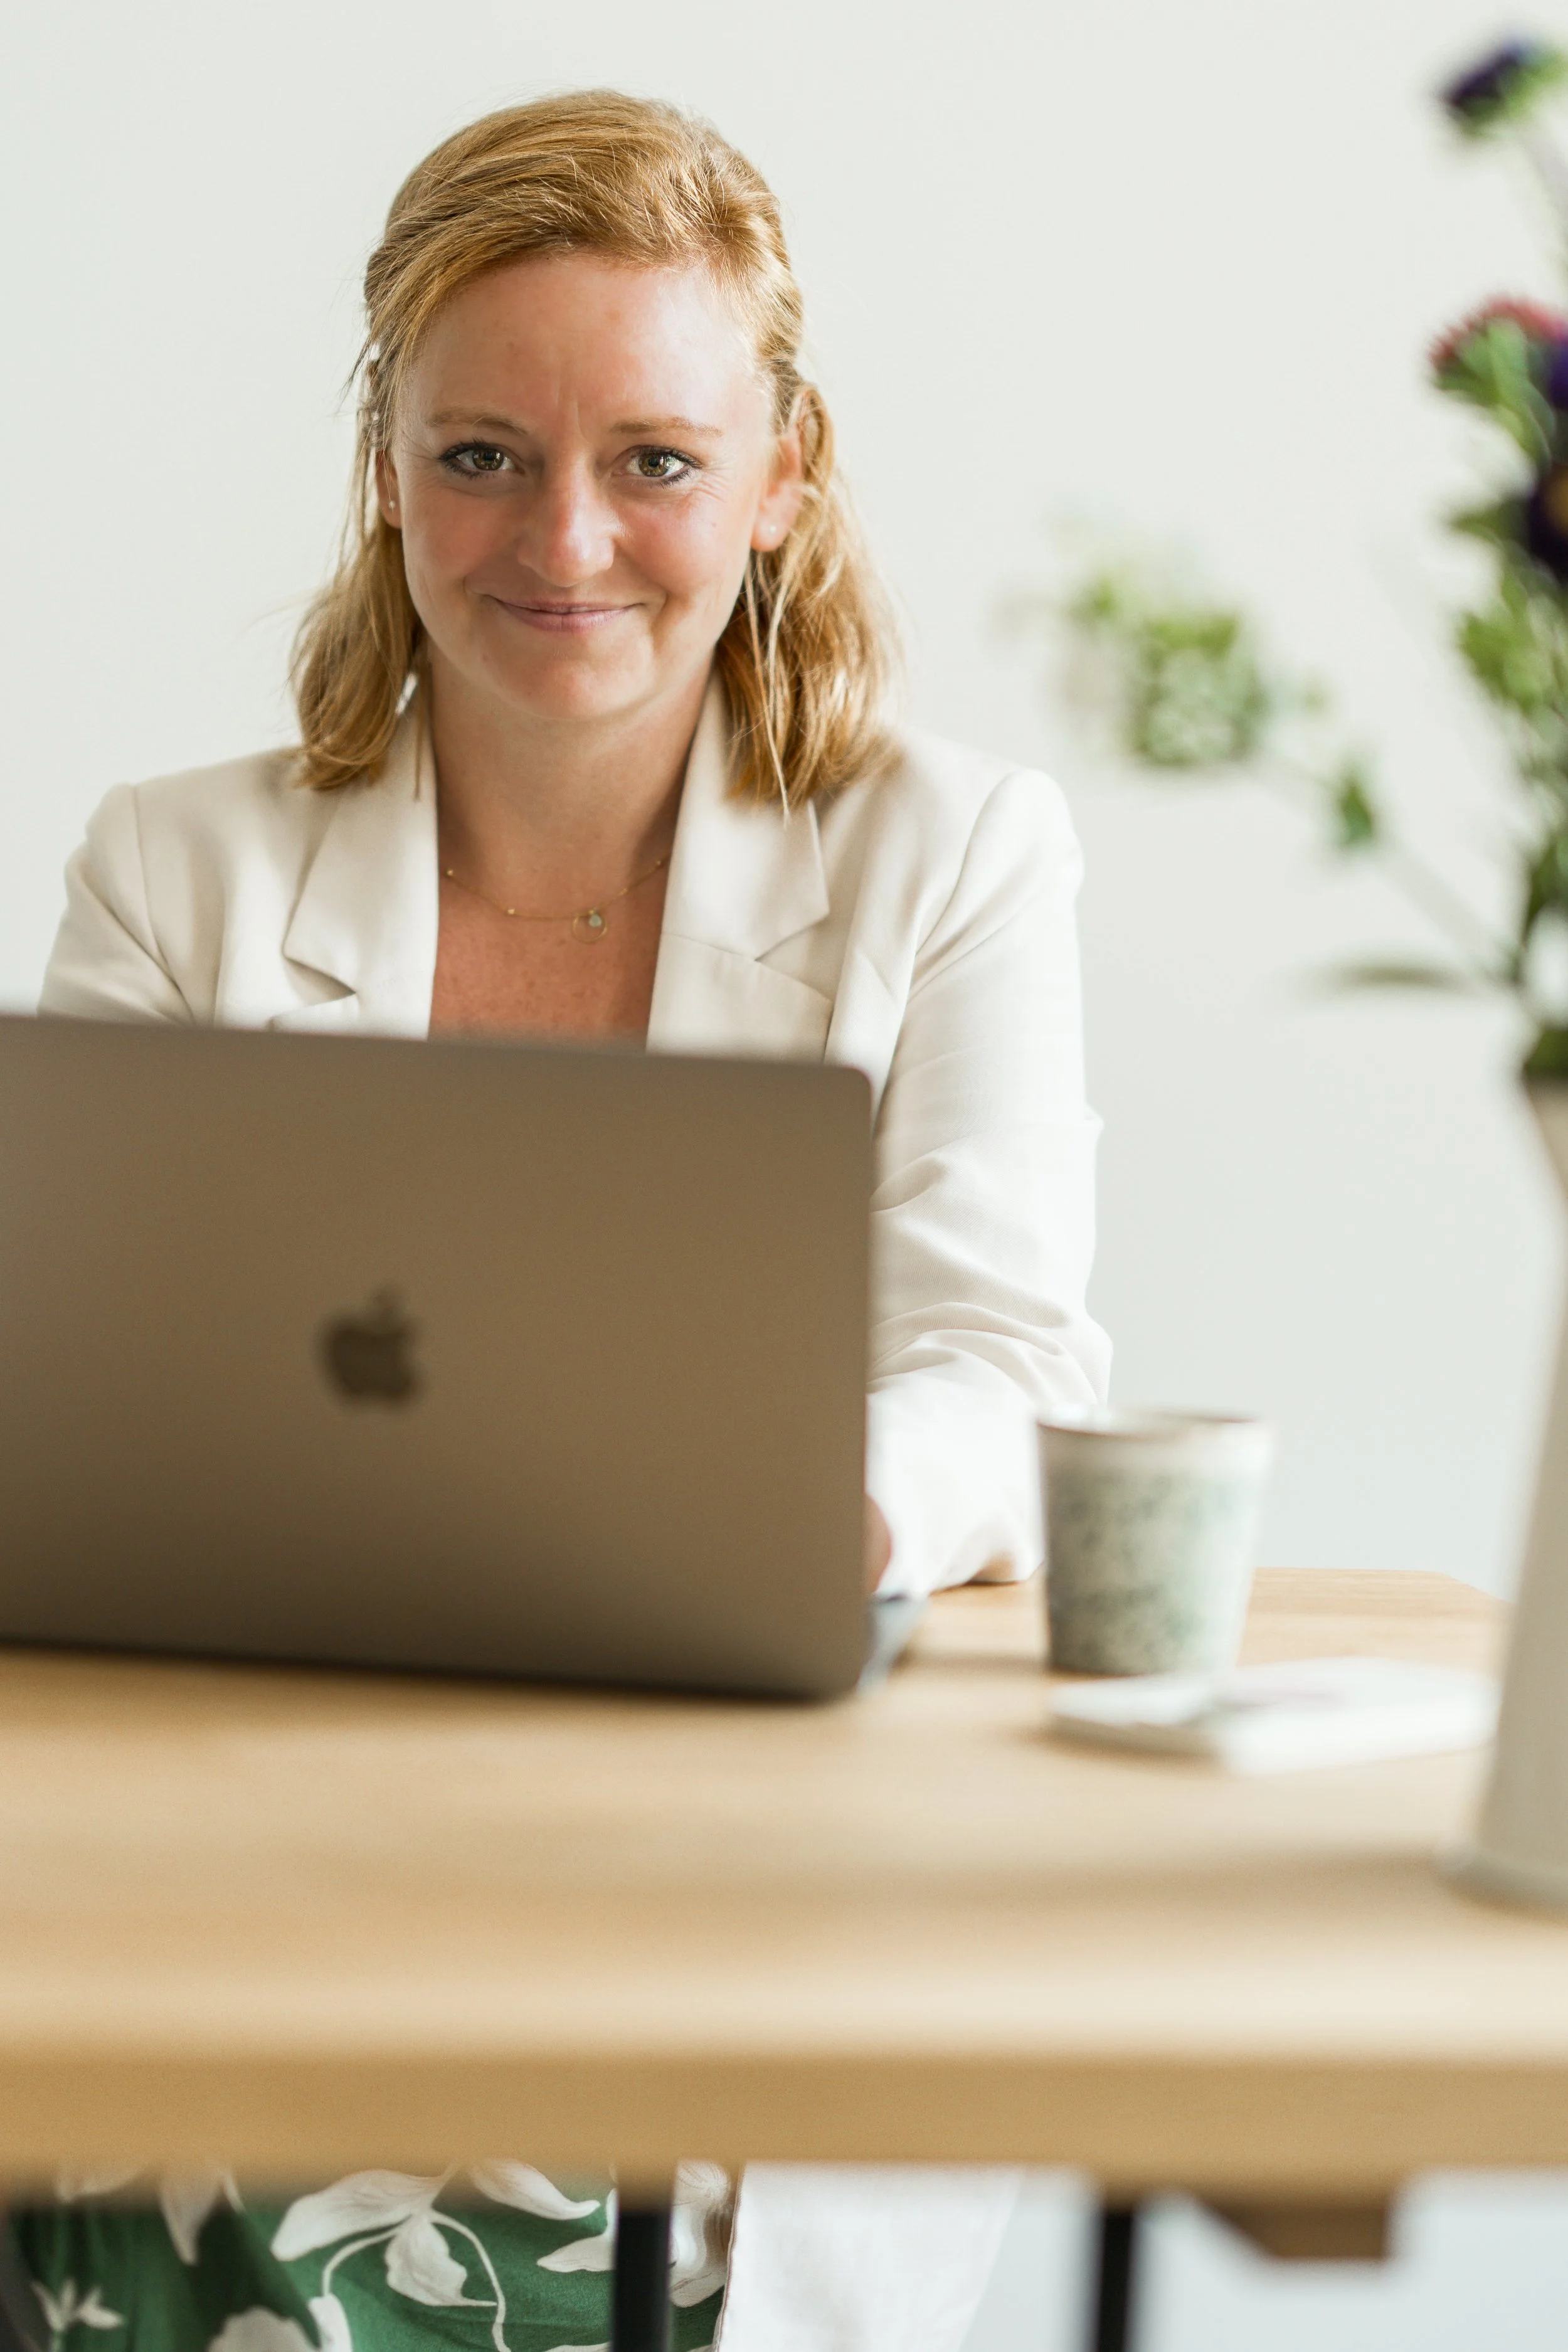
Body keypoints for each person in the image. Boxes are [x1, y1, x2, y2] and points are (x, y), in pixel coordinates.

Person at [23, 90, 1109, 2352]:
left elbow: (1005, 1364)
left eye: (657, 459)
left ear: (783, 470)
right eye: (482, 454)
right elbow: (82, 1387)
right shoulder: (173, 866)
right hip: (248, 1851)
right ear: (386, 469)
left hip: (729, 1859)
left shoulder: (954, 855)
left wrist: (791, 1517)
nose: (568, 539)